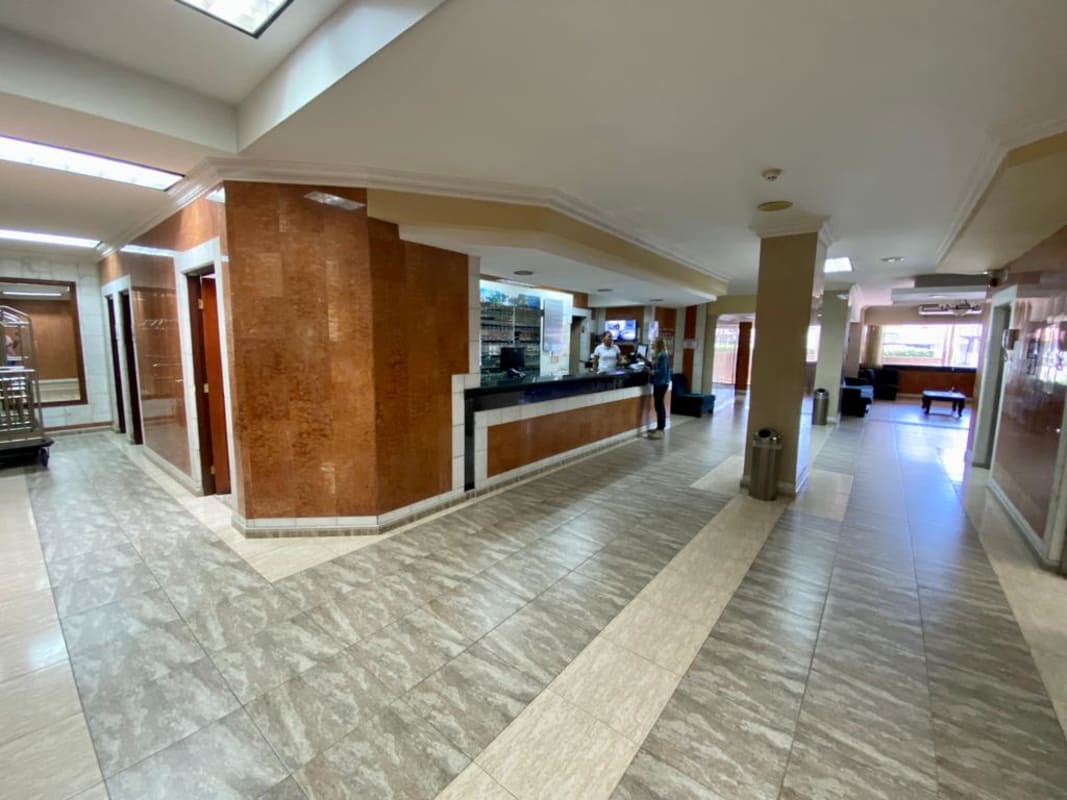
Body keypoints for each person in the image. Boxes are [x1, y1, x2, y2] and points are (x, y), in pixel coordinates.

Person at [646, 337, 671, 438]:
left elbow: (662, 371)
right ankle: (659, 427)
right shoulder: (659, 355)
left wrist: (650, 372)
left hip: (661, 383)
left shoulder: (663, 356)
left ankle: (661, 429)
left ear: (658, 344)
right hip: (659, 383)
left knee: (659, 405)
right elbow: (656, 366)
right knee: (658, 405)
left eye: (653, 343)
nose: (651, 344)